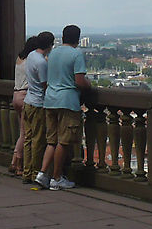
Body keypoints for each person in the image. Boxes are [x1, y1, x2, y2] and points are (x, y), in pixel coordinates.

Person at [36, 24, 91, 191]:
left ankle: (42, 174)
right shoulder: (76, 54)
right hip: (67, 101)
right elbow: (80, 81)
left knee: (51, 141)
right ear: (78, 38)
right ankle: (57, 178)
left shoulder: (53, 53)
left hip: (50, 100)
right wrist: (89, 86)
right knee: (64, 141)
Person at [22, 30, 54, 184]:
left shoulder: (31, 56)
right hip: (38, 103)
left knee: (28, 138)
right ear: (50, 45)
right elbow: (45, 84)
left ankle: (26, 172)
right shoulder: (41, 62)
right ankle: (36, 173)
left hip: (27, 101)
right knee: (37, 140)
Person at [10, 36, 39, 175]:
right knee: (25, 133)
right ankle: (16, 163)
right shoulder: (31, 60)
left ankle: (16, 162)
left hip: (16, 95)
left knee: (22, 131)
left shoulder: (19, 58)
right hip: (25, 95)